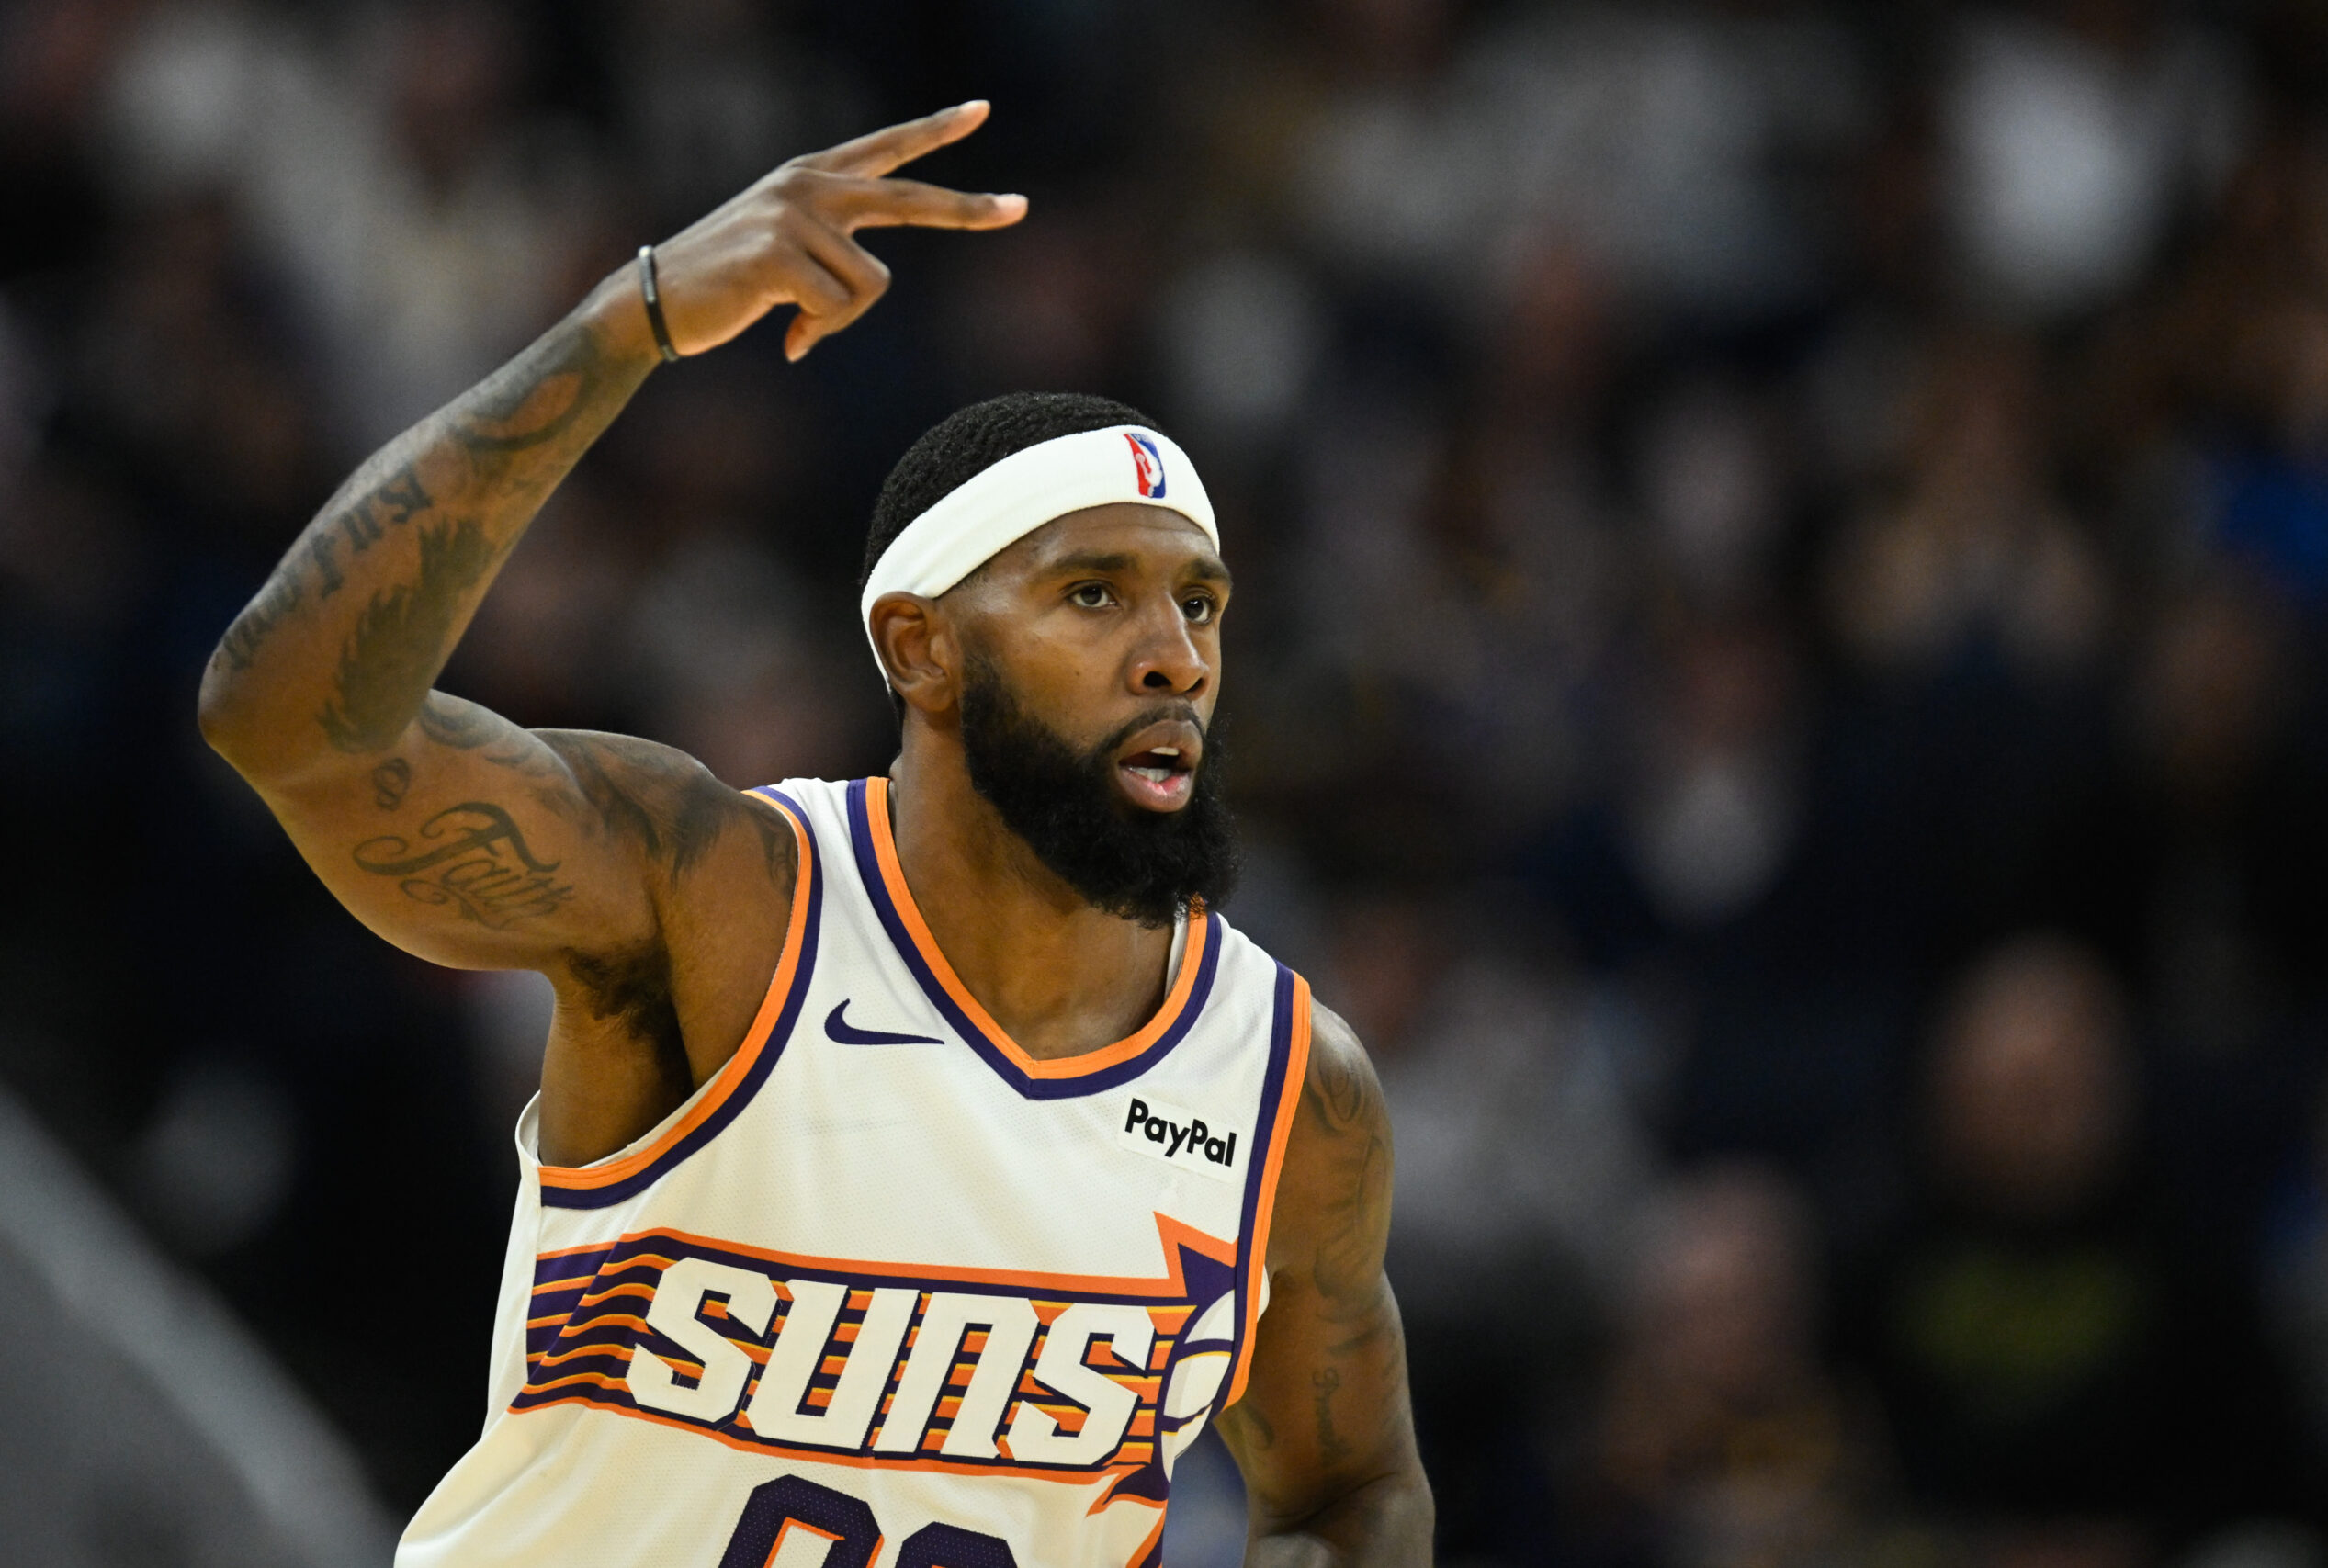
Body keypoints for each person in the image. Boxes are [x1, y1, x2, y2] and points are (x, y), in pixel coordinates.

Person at [196, 102, 1431, 1568]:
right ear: (921, 651)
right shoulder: (716, 898)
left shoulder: (1292, 1093)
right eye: (1094, 595)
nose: (1174, 656)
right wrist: (625, 328)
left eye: (1201, 604)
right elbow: (289, 720)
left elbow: (1352, 1494)